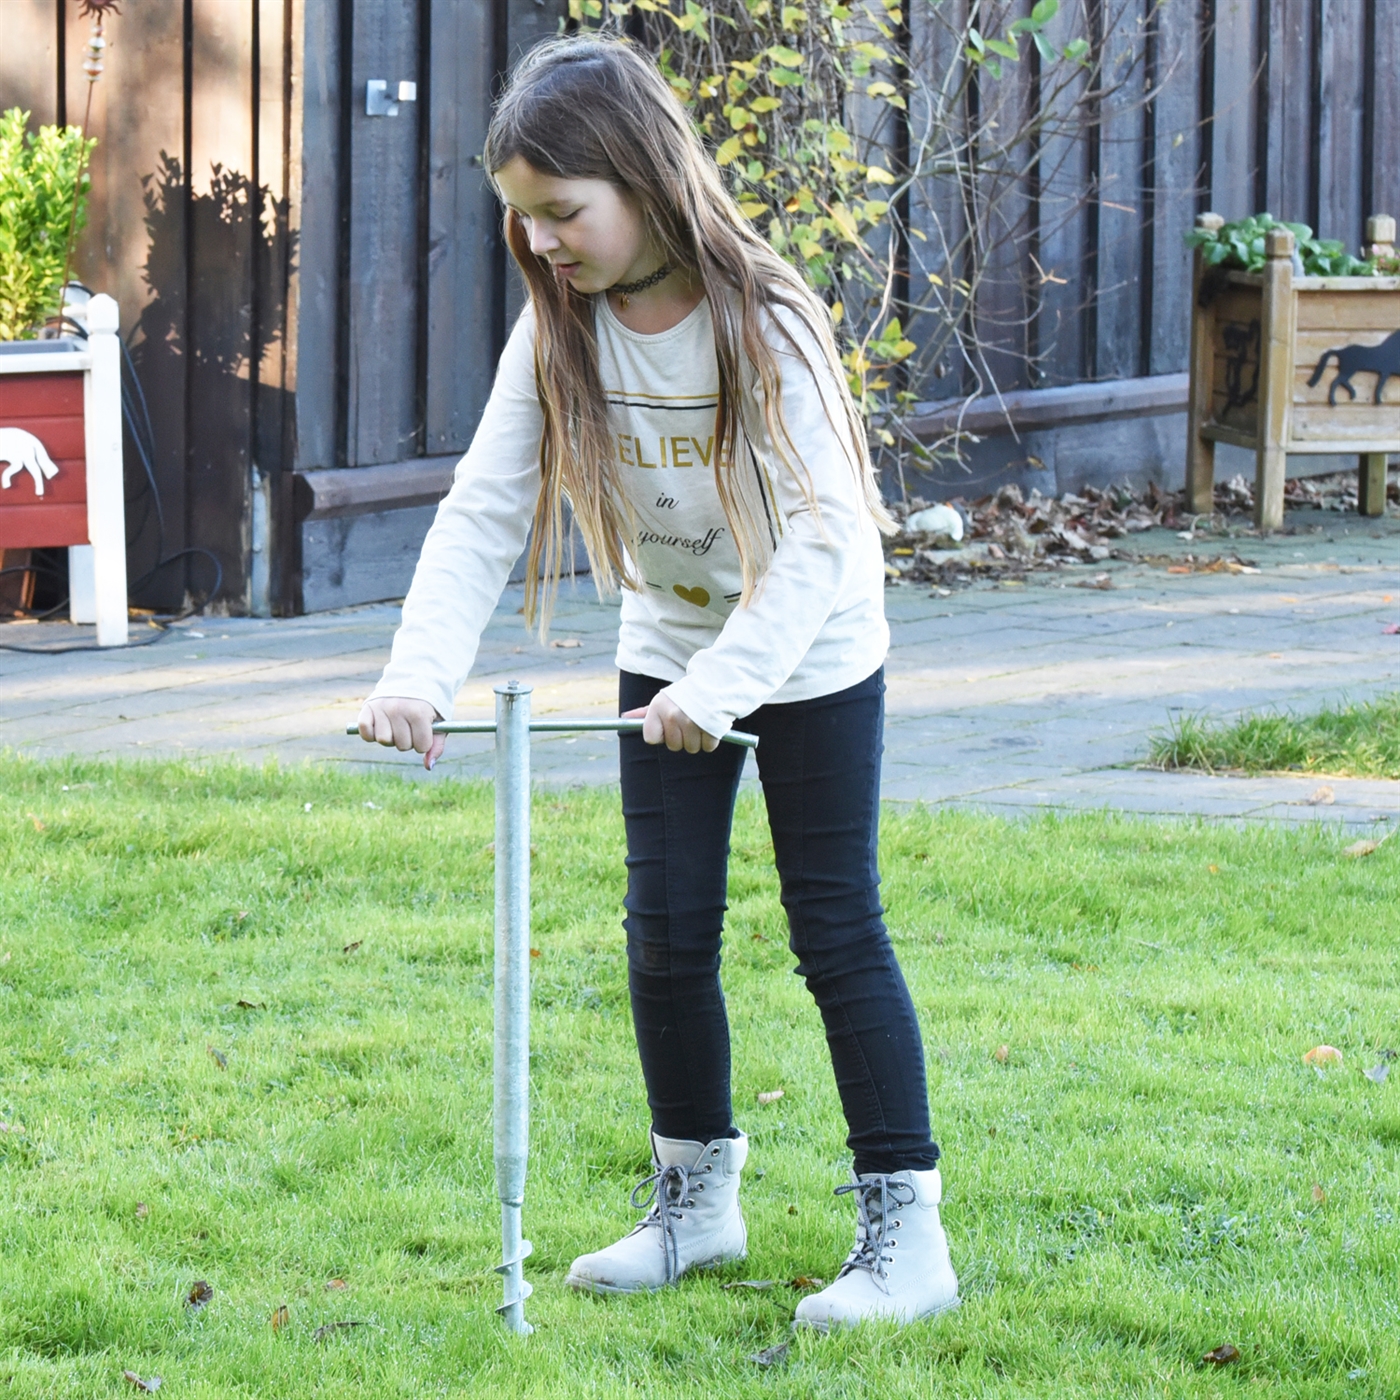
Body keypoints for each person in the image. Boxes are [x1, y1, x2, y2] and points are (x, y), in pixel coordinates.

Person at [357, 32, 958, 1330]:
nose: (547, 243)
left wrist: (729, 688)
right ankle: (698, 1203)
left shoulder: (767, 319)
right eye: (525, 220)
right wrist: (418, 670)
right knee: (665, 933)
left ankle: (908, 1233)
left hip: (809, 652)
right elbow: (482, 509)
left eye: (563, 213)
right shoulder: (559, 328)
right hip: (672, 646)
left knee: (833, 925)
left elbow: (823, 538)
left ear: (639, 178)